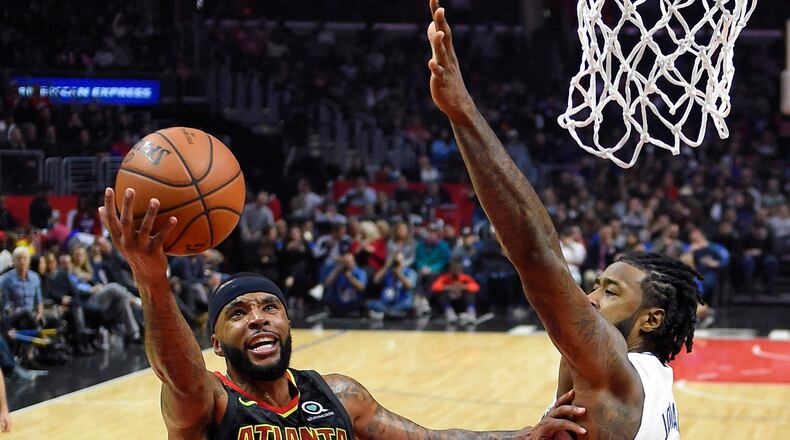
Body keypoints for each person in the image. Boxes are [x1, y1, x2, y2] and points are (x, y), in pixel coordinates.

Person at [98, 187, 588, 440]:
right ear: (217, 343)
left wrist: (525, 435)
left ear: (289, 323)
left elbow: (432, 438)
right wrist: (152, 279)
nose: (259, 318)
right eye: (238, 314)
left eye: (271, 307)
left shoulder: (338, 394)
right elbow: (179, 376)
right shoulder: (209, 403)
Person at [427, 2, 703, 438]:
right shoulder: (647, 380)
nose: (590, 298)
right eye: (596, 285)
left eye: (609, 292)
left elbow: (538, 256)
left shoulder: (620, 375)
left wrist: (463, 114)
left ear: (651, 320)